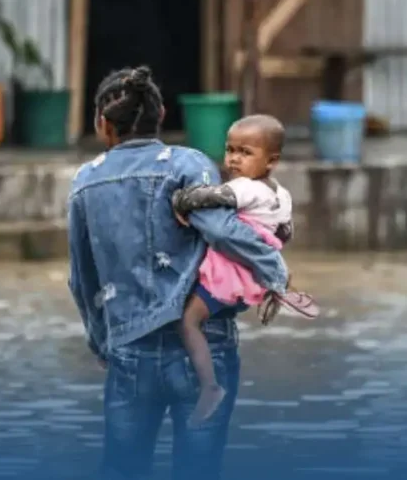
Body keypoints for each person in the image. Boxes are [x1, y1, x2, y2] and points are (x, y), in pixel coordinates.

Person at [67, 66, 291, 480]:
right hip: (206, 346)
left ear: (102, 123)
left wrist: (103, 342)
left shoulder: (86, 180)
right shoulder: (190, 164)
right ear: (162, 113)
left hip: (130, 348)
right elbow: (222, 232)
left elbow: (82, 280)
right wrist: (275, 268)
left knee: (122, 469)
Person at [171, 114, 320, 426]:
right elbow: (284, 233)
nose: (234, 159)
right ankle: (274, 288)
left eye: (245, 152)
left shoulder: (246, 188)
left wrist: (181, 200)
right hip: (247, 275)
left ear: (271, 161)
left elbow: (214, 196)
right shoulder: (280, 194)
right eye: (230, 150)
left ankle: (209, 387)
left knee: (188, 322)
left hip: (228, 274)